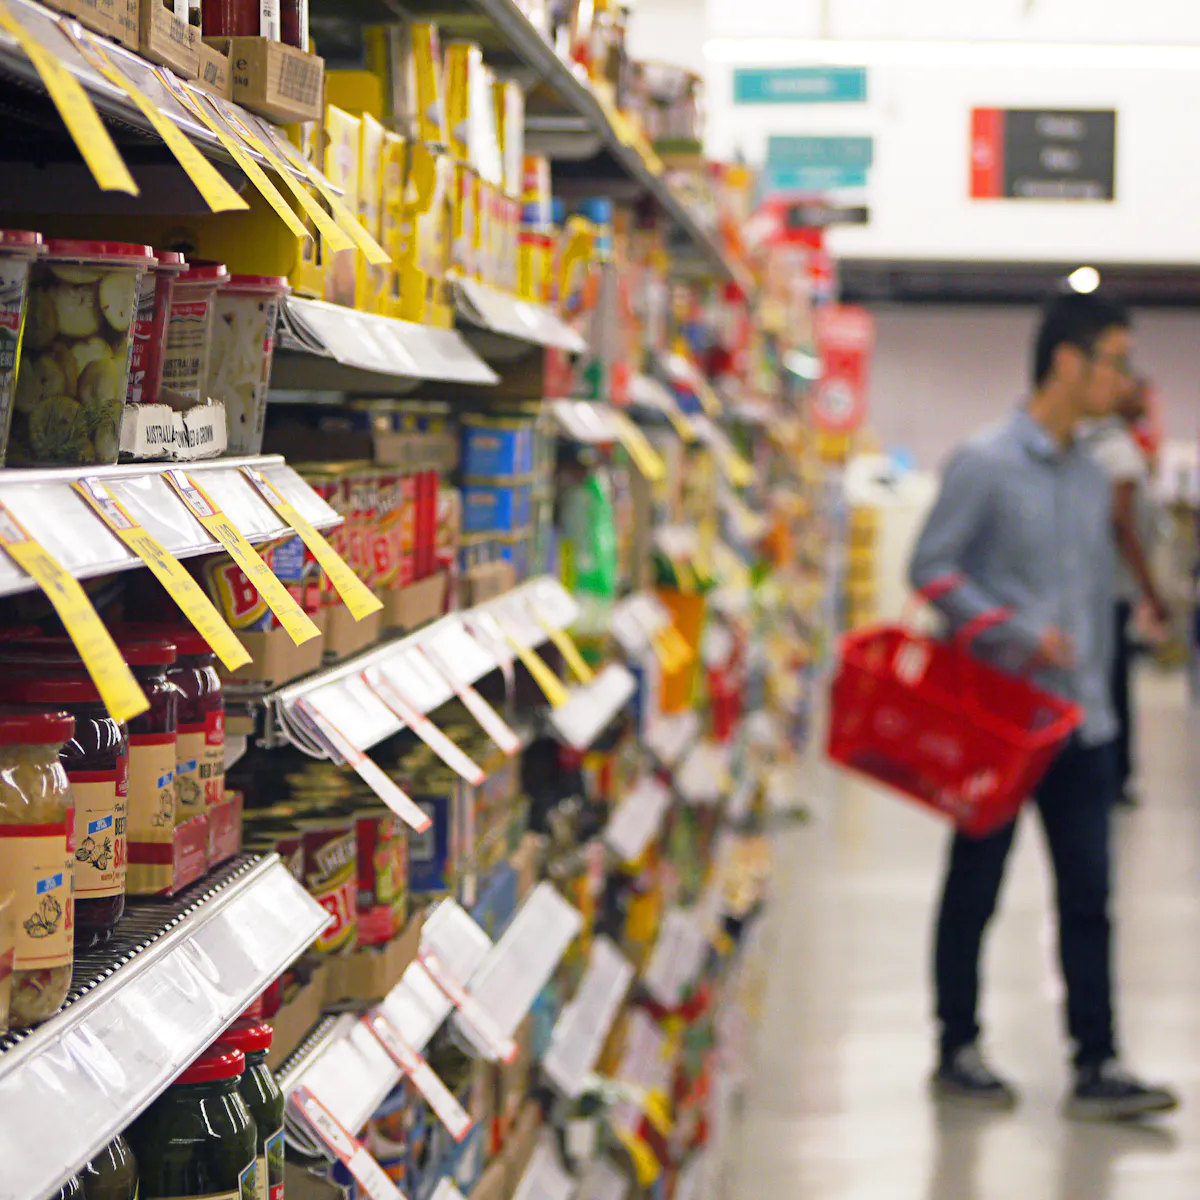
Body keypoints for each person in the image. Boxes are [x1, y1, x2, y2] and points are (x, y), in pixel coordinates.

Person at [908, 292, 1178, 1121]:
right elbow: (931, 569)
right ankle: (958, 1044)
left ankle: (1097, 1062)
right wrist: (1017, 633)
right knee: (976, 886)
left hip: (1083, 722)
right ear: (1068, 361)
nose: (1124, 380)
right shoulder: (984, 463)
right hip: (1002, 719)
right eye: (1115, 361)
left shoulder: (1096, 472)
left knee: (1090, 897)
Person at [1087, 377, 1169, 808]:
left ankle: (1110, 773)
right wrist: (1151, 590)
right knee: (1114, 685)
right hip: (1112, 593)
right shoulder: (1119, 453)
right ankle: (1115, 774)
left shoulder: (1101, 446)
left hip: (1102, 590)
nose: (1145, 401)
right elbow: (1122, 526)